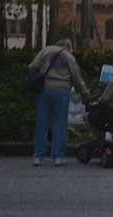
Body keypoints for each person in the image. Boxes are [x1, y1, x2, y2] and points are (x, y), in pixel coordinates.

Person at [28, 38, 89, 166]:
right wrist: (84, 93)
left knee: (41, 123)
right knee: (60, 123)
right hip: (62, 91)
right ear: (69, 47)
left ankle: (38, 157)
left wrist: (38, 76)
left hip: (44, 90)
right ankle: (58, 157)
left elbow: (32, 66)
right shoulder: (69, 56)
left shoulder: (45, 50)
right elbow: (77, 78)